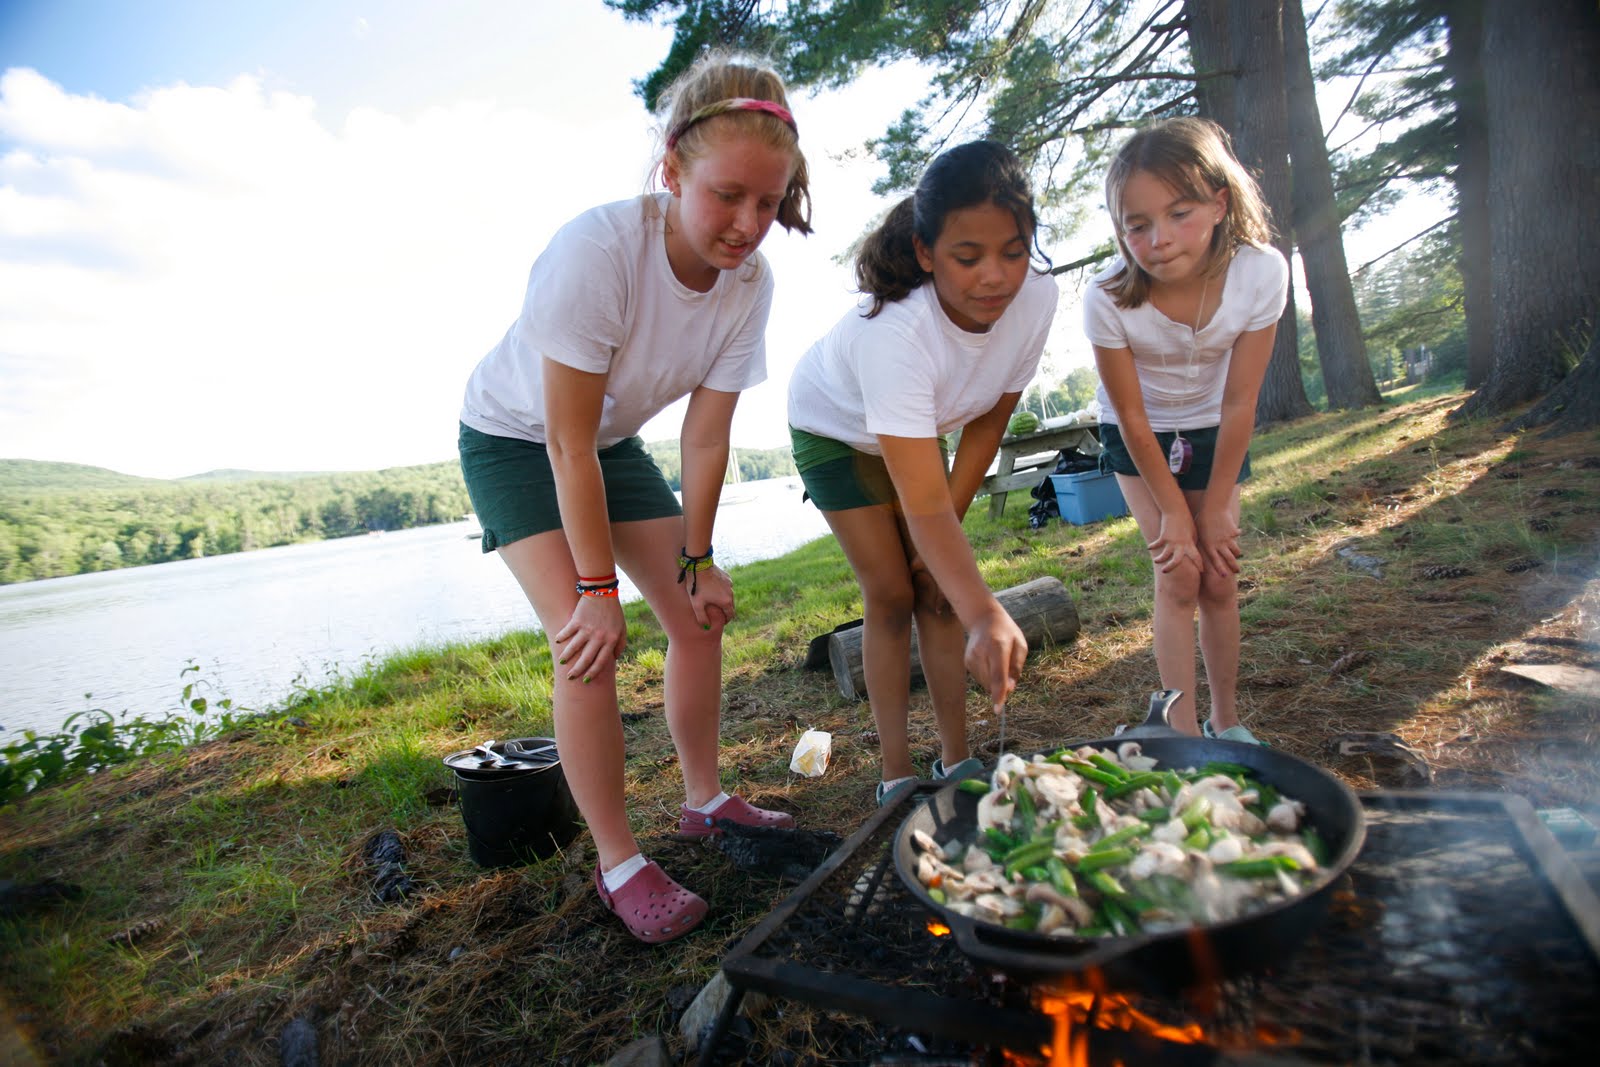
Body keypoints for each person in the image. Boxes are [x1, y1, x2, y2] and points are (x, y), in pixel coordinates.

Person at [456, 53, 811, 944]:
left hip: (606, 445)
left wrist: (698, 558)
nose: (748, 224)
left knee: (696, 615)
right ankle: (619, 863)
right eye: (727, 195)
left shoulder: (751, 284)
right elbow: (563, 441)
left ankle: (705, 801)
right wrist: (595, 588)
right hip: (517, 440)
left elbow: (705, 435)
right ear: (672, 172)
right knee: (587, 645)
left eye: (768, 202)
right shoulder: (599, 251)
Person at [787, 141, 1059, 807]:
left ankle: (957, 757)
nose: (995, 276)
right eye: (968, 257)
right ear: (926, 252)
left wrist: (945, 556)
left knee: (937, 587)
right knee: (891, 592)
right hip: (834, 429)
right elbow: (924, 505)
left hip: (915, 425)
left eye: (1014, 251)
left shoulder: (1038, 297)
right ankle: (897, 771)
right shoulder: (897, 334)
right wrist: (984, 611)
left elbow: (988, 422)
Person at [1083, 117, 1289, 744]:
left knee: (1219, 574)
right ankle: (1181, 735)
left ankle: (1226, 722)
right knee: (1178, 573)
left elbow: (1241, 399)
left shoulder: (1261, 272)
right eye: (1137, 225)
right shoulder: (1107, 297)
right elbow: (1133, 418)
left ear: (1220, 204)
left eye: (1180, 214)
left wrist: (1219, 503)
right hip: (1137, 435)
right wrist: (1174, 512)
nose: (1160, 239)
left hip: (1217, 426)